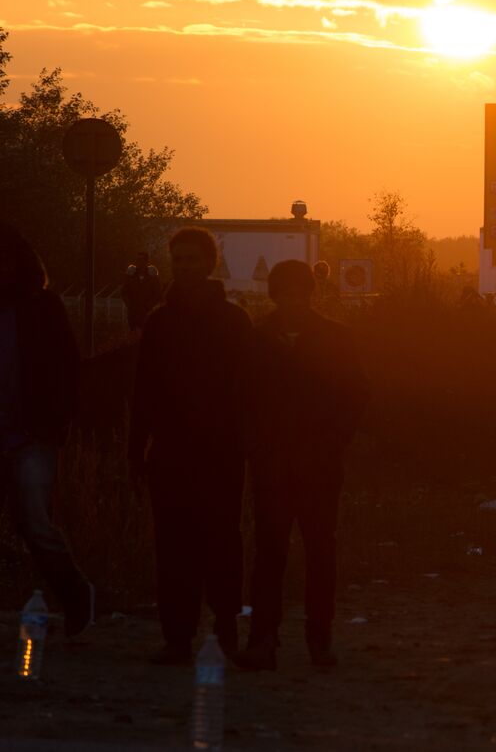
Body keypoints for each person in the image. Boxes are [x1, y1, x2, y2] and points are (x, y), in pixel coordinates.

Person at [235, 261, 368, 670]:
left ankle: (318, 640)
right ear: (275, 294)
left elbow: (353, 399)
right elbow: (242, 400)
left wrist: (332, 443)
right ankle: (263, 639)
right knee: (270, 552)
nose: (292, 298)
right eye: (285, 291)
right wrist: (258, 447)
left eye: (298, 290)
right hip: (274, 465)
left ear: (309, 293)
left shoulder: (334, 339)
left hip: (318, 465)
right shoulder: (255, 341)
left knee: (318, 551)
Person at [128, 227, 252, 664]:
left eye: (192, 259)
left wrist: (248, 441)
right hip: (171, 452)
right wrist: (136, 447)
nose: (185, 267)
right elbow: (144, 390)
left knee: (221, 539)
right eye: (178, 260)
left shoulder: (234, 322)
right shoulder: (160, 322)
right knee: (173, 545)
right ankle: (177, 637)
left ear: (210, 263)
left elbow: (248, 390)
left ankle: (225, 628)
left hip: (221, 452)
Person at [0, 223, 94, 637]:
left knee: (35, 523)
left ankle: (75, 597)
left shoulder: (43, 307)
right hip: (22, 433)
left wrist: (58, 422)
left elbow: (69, 367)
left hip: (32, 435)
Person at [120, 251, 163, 331]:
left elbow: (158, 293)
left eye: (141, 259)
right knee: (133, 336)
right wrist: (130, 305)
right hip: (133, 313)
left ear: (146, 261)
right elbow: (124, 292)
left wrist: (148, 306)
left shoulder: (152, 276)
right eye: (138, 259)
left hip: (147, 313)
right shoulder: (131, 275)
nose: (139, 262)